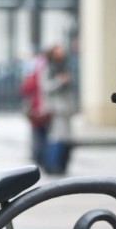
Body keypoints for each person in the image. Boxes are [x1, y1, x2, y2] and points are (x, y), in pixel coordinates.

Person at [40, 44, 74, 175]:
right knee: (56, 138)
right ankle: (52, 166)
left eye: (61, 52)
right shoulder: (48, 68)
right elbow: (45, 87)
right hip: (55, 109)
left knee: (66, 139)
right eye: (57, 52)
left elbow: (70, 89)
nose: (60, 55)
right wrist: (59, 81)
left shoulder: (66, 67)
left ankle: (62, 165)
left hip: (66, 108)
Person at [19, 51, 50, 167]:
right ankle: (42, 156)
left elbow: (25, 89)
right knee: (43, 133)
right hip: (43, 108)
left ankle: (39, 156)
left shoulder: (34, 74)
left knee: (38, 133)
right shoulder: (45, 71)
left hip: (38, 108)